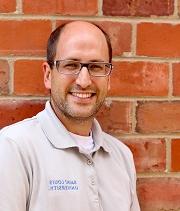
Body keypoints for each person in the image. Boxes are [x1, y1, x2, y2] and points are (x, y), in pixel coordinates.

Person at [0, 21, 140, 211]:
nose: (84, 81)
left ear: (108, 79)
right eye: (71, 65)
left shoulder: (121, 156)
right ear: (48, 75)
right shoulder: (14, 147)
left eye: (96, 67)